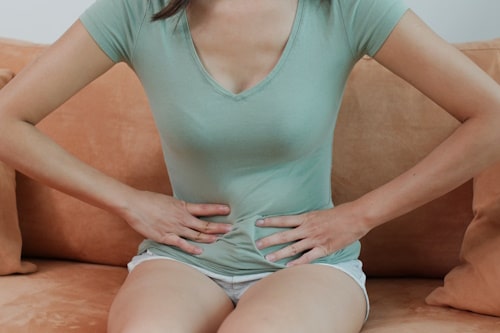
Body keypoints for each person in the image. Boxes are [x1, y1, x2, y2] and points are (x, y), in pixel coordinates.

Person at [1, 0, 499, 332]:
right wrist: (127, 202)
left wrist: (360, 214)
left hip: (307, 267)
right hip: (183, 262)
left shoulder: (345, 8)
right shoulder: (137, 10)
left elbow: (492, 116)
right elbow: (6, 120)